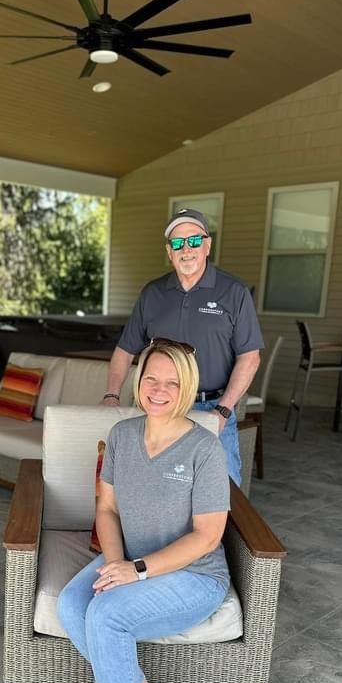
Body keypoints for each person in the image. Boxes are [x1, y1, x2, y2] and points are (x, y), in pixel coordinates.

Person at [53, 338, 230, 683]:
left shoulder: (204, 449)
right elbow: (106, 508)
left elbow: (208, 537)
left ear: (187, 387)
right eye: (151, 377)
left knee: (106, 615)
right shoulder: (123, 436)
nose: (159, 388)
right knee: (73, 603)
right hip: (131, 558)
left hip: (194, 576)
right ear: (138, 380)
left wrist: (137, 570)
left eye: (172, 381)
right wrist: (116, 563)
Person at [102, 207, 263, 484]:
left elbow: (250, 357)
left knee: (223, 488)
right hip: (158, 407)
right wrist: (111, 395)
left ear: (207, 245)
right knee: (153, 484)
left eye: (194, 241)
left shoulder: (233, 292)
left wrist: (223, 410)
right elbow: (124, 350)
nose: (186, 249)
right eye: (177, 243)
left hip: (211, 407)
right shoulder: (153, 293)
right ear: (169, 251)